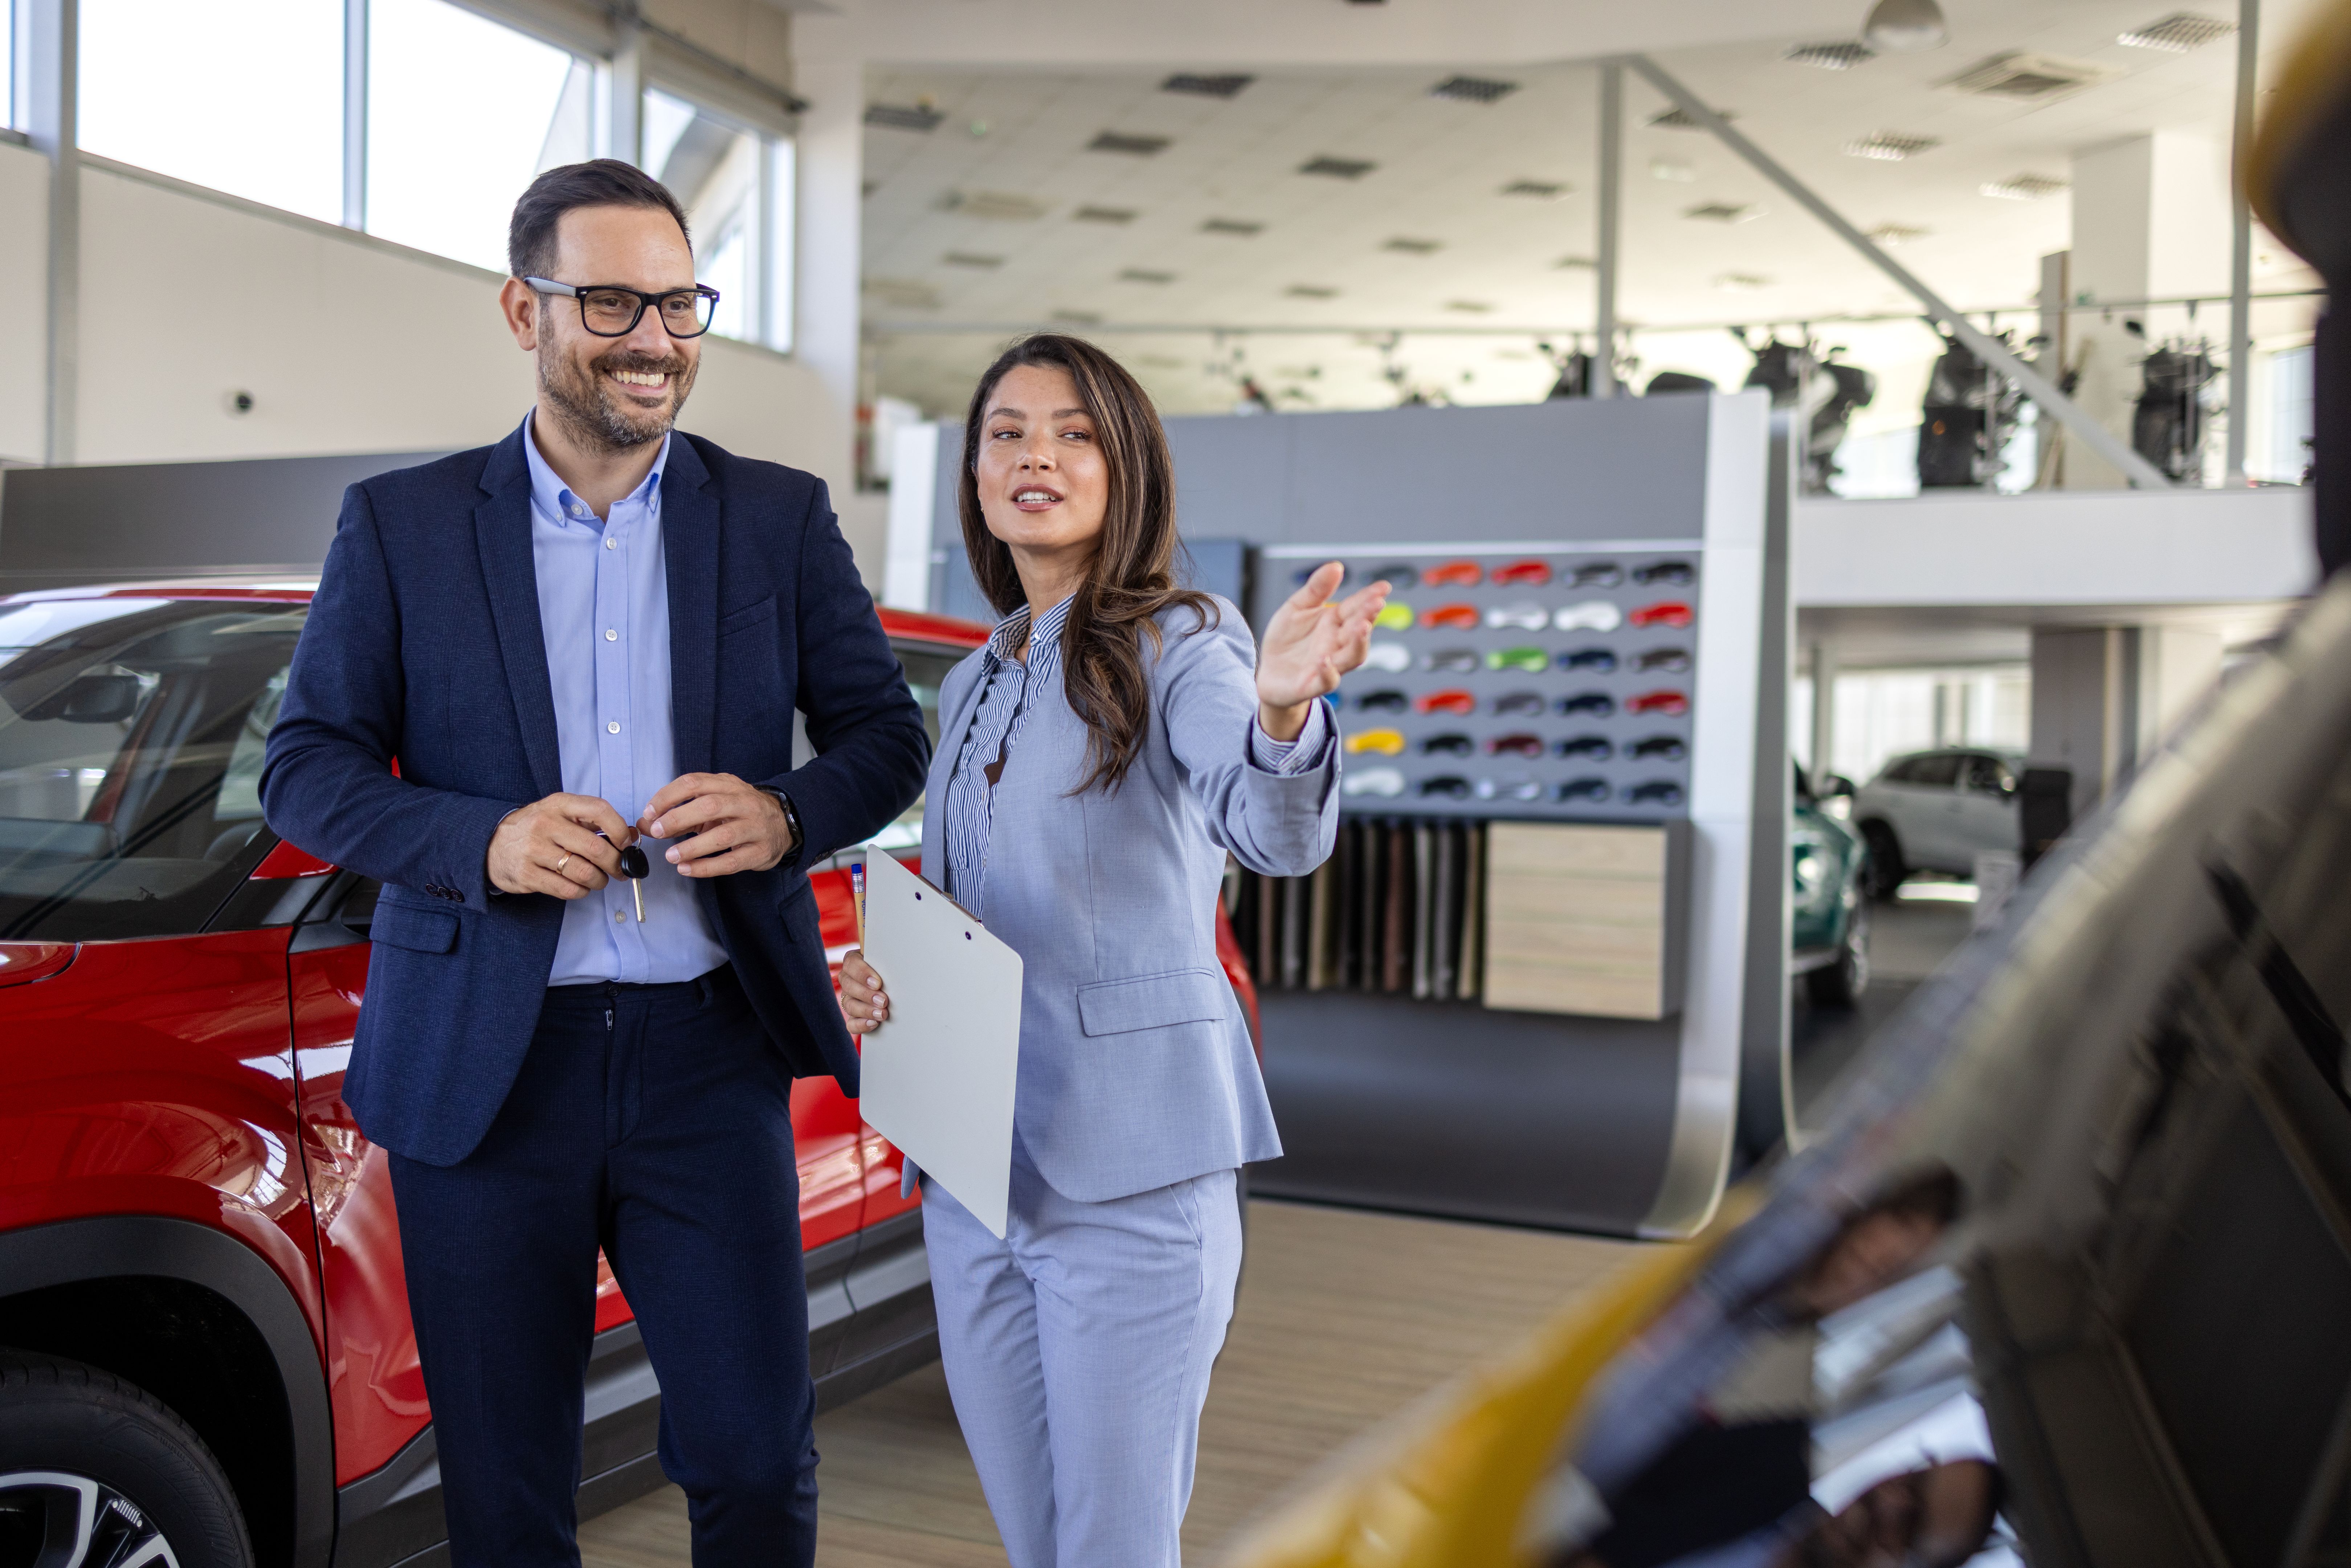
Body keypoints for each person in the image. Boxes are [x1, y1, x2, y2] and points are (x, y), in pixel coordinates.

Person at [260, 159, 928, 1567]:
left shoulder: (777, 516)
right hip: (488, 1070)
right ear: (526, 312)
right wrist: (481, 840)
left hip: (711, 1054)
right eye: (613, 302)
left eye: (679, 303)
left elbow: (884, 735)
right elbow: (306, 766)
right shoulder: (403, 525)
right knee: (505, 1493)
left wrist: (789, 813)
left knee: (756, 1461)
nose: (655, 338)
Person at [835, 333, 1388, 1567]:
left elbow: (1272, 830)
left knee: (1115, 1550)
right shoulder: (974, 681)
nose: (1036, 456)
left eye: (1074, 433)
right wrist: (890, 980)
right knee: (1040, 1545)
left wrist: (1283, 709)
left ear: (1126, 466)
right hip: (976, 1178)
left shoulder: (1185, 641)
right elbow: (967, 904)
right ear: (977, 475)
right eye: (1007, 434)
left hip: (1132, 1180)